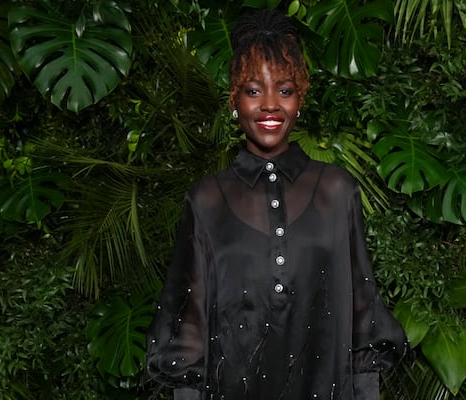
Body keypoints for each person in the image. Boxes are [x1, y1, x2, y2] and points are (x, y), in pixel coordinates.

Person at [146, 8, 408, 400]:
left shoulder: (337, 191)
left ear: (300, 99)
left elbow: (362, 314)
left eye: (284, 91)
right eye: (254, 91)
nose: (270, 105)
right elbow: (190, 328)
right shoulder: (205, 201)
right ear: (234, 100)